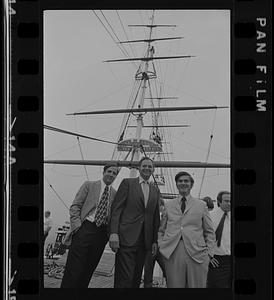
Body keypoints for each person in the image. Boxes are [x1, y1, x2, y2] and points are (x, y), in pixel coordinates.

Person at [60, 164, 119, 288]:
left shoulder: (114, 194)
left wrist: (108, 235)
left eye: (114, 173)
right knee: (74, 269)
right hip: (85, 228)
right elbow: (75, 206)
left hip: (102, 233)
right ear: (103, 172)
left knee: (89, 269)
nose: (111, 175)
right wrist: (77, 227)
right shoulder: (89, 185)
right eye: (109, 171)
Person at [109, 157, 160, 288]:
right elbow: (116, 209)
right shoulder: (128, 183)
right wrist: (113, 233)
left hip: (145, 241)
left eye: (150, 166)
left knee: (136, 279)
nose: (147, 168)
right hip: (126, 237)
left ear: (153, 169)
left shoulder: (155, 190)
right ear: (139, 168)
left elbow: (155, 217)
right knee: (124, 279)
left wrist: (154, 241)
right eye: (144, 166)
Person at [158, 171, 215, 288]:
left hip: (198, 254)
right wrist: (161, 246)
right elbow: (161, 230)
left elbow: (209, 231)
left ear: (191, 184)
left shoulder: (201, 205)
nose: (183, 183)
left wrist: (209, 254)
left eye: (186, 181)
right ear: (176, 184)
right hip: (173, 251)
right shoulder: (168, 205)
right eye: (180, 181)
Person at [207, 191, 231, 288]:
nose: (229, 203)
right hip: (216, 260)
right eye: (226, 201)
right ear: (219, 202)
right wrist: (208, 256)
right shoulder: (209, 216)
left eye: (230, 201)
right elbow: (201, 237)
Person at [143, 198, 166, 288]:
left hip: (162, 250)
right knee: (148, 274)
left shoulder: (166, 217)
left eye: (160, 206)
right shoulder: (150, 217)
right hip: (150, 249)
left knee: (168, 271)